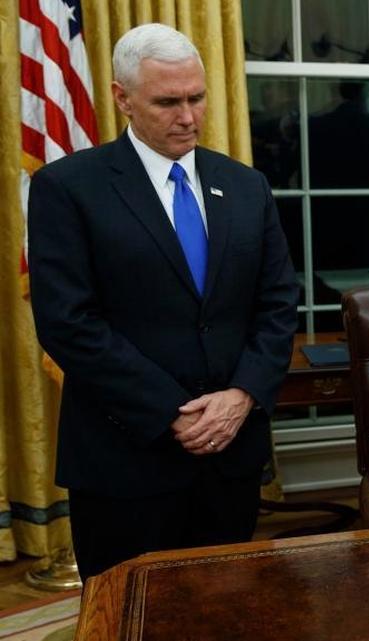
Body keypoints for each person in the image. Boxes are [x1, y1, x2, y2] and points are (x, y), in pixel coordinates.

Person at [27, 23, 298, 579]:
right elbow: (68, 322)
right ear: (122, 98)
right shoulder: (68, 187)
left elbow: (277, 303)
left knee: (226, 607)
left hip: (230, 454)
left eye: (197, 98)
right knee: (127, 611)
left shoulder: (246, 185)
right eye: (168, 102)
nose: (188, 117)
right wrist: (171, 412)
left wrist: (242, 395)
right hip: (125, 459)